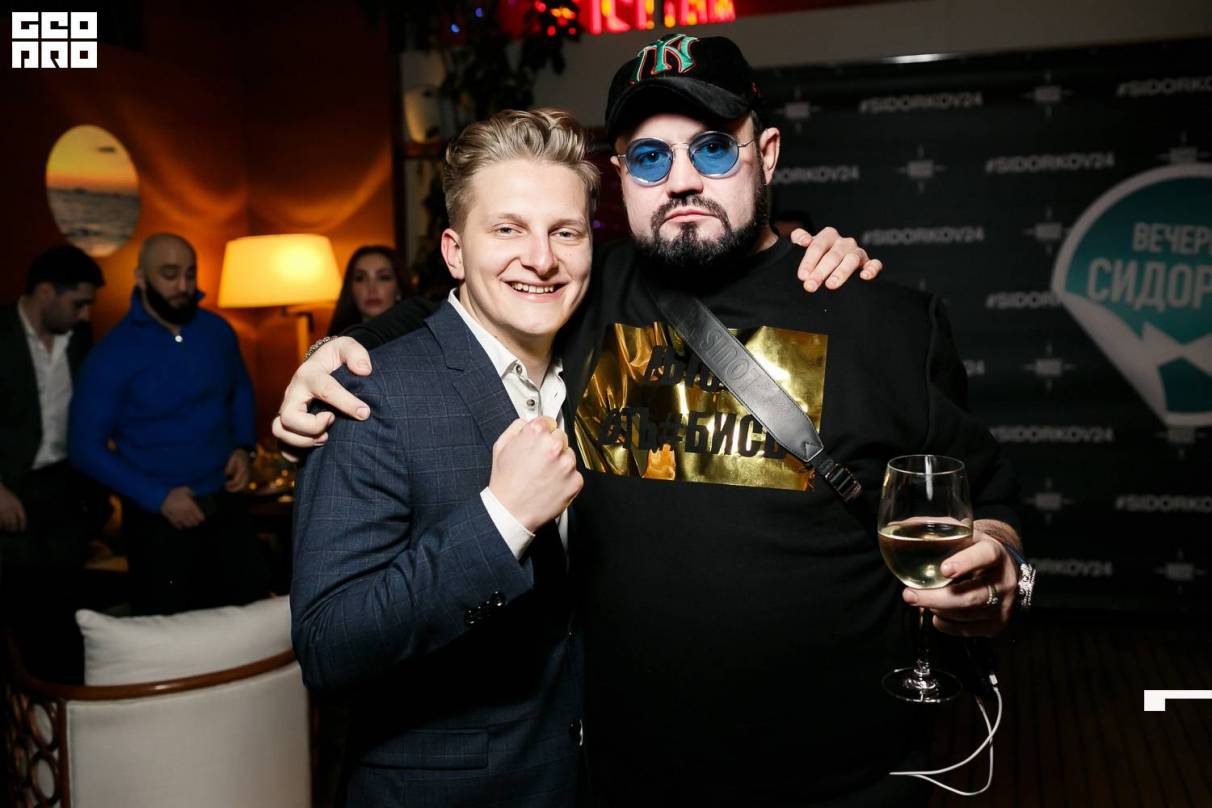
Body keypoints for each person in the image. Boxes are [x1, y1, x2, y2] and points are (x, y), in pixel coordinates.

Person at [274, 33, 1025, 807]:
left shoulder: (885, 321)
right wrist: (339, 349)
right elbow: (468, 304)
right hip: (623, 784)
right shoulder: (585, 292)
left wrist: (1000, 561)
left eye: (713, 148)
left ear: (767, 154)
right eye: (651, 158)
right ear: (621, 176)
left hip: (841, 785)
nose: (683, 181)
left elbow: (986, 498)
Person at [291, 108, 592, 807]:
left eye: (565, 232)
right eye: (507, 229)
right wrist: (501, 520)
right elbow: (328, 646)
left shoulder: (597, 364)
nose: (541, 258)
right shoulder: (372, 395)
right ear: (455, 252)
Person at [69, 233, 269, 615]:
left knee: (253, 620)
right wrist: (158, 497)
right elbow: (84, 448)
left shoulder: (218, 331)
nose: (183, 286)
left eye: (190, 274)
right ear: (140, 278)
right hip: (157, 520)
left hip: (226, 505)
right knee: (172, 632)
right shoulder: (111, 354)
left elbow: (240, 389)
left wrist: (243, 447)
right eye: (169, 274)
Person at [0, 244, 108, 679]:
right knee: (18, 616)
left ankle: (65, 705)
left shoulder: (79, 337)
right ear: (45, 292)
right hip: (11, 488)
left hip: (65, 489)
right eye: (78, 302)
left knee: (64, 616)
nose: (86, 314)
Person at [326, 245, 414, 336]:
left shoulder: (418, 337)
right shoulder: (335, 341)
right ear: (351, 289)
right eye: (360, 278)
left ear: (399, 289)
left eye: (383, 277)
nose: (371, 288)